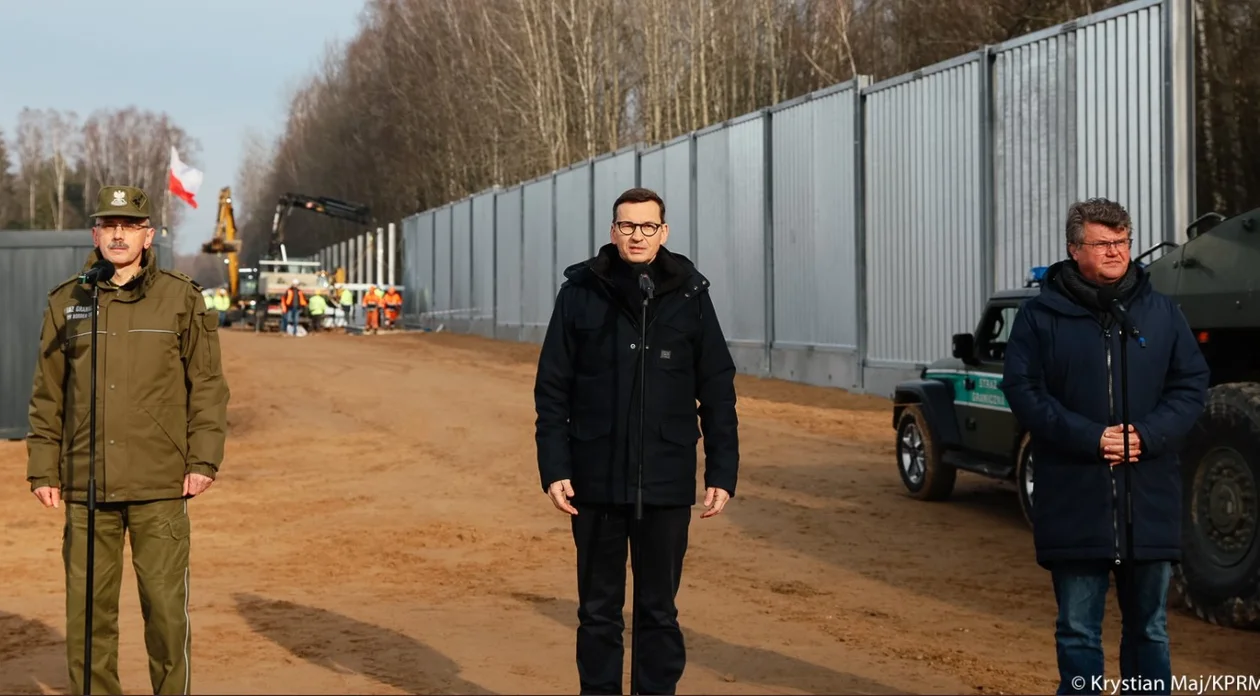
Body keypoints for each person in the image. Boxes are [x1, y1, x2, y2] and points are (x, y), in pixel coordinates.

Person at [25, 185, 231, 695]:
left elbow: (207, 384)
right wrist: (43, 467)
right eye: (109, 225)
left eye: (130, 226)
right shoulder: (68, 301)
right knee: (89, 618)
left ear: (148, 235)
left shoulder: (181, 298)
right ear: (95, 234)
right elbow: (48, 394)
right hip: (87, 488)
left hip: (160, 486)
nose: (119, 235)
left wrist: (203, 459)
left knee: (166, 614)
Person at [534, 186, 740, 695]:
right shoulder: (580, 292)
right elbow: (553, 387)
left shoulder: (690, 295)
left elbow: (717, 388)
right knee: (598, 612)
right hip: (595, 479)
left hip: (666, 479)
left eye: (648, 226)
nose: (637, 235)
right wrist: (555, 467)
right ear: (613, 231)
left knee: (658, 612)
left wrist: (722, 470)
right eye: (627, 225)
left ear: (663, 232)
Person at [999, 198, 1209, 695]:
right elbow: (1023, 391)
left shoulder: (1162, 313)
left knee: (1150, 629)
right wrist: (1089, 438)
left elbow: (1190, 385)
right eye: (1102, 243)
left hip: (1148, 499)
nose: (1116, 251)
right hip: (1075, 500)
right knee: (1077, 631)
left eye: (1122, 242)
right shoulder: (1039, 317)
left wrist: (1146, 435)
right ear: (1074, 249)